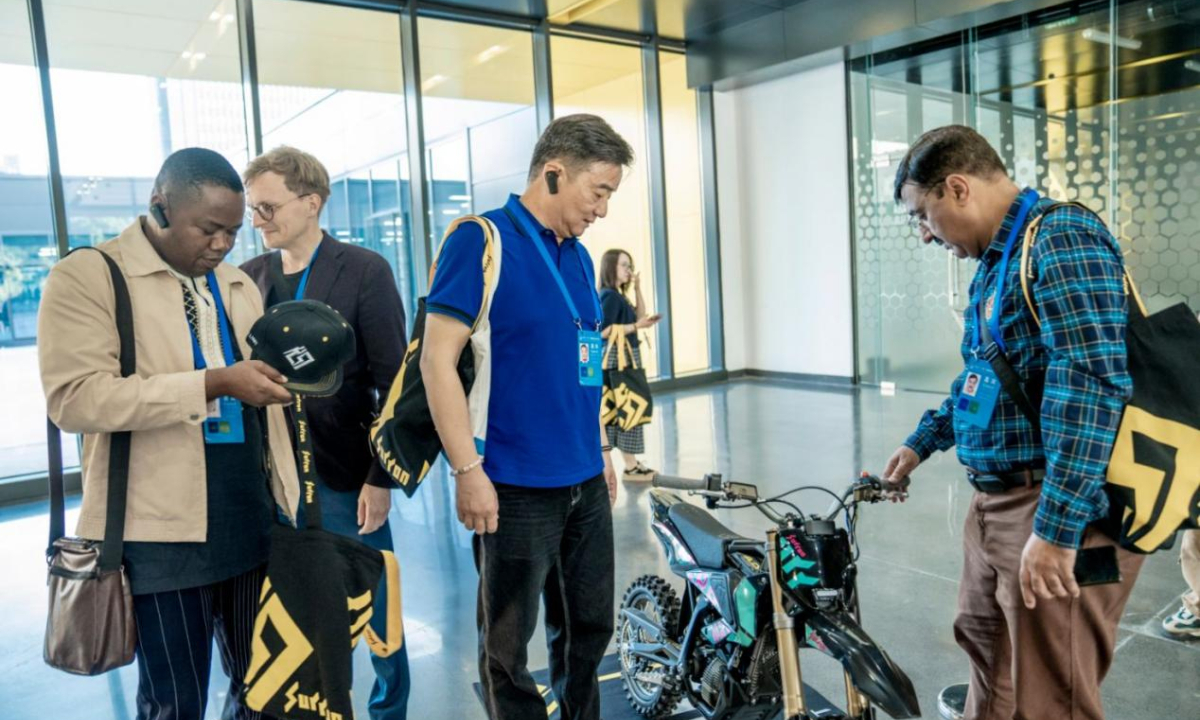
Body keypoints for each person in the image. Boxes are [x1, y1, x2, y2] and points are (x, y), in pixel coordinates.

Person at [881, 125, 1144, 720]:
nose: (923, 235)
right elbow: (985, 377)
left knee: (1055, 695)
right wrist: (922, 443)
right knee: (989, 656)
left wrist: (1054, 532)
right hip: (998, 505)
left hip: (1052, 506)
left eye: (922, 215)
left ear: (957, 188)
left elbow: (1091, 387)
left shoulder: (1062, 238)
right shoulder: (999, 263)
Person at [37, 148, 301, 720]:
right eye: (208, 229)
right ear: (159, 207)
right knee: (174, 703)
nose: (222, 245)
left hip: (251, 521)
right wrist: (211, 383)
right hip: (162, 539)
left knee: (265, 695)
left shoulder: (235, 284)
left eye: (233, 231)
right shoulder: (90, 276)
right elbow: (75, 399)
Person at [421, 113, 631, 720]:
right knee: (508, 646)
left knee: (590, 628)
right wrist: (467, 470)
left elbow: (584, 365)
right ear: (554, 172)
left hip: (583, 481)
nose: (603, 209)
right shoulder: (479, 240)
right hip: (511, 484)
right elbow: (439, 362)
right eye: (599, 191)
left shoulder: (577, 258)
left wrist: (602, 451)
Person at [239, 146, 411, 720]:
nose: (257, 220)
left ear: (311, 203)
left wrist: (380, 477)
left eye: (267, 207)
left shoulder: (364, 270)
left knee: (376, 611)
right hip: (274, 481)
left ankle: (390, 712)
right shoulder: (248, 280)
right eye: (252, 209)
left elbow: (396, 383)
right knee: (295, 611)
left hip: (345, 476)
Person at [598, 248, 661, 481]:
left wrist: (637, 287)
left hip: (625, 359)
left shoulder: (617, 295)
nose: (629, 270)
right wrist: (637, 327)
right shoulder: (609, 296)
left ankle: (631, 464)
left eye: (630, 265)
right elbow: (603, 331)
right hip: (618, 361)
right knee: (626, 409)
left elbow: (638, 316)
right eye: (624, 265)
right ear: (611, 267)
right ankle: (630, 465)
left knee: (624, 410)